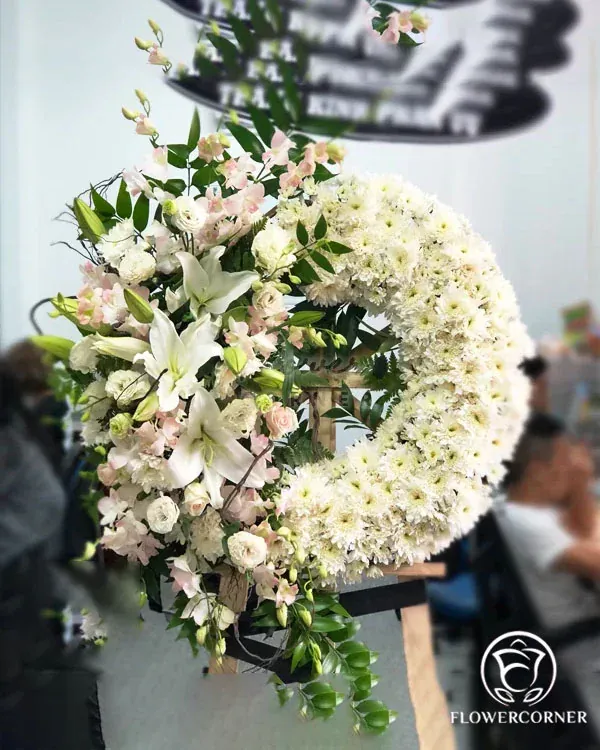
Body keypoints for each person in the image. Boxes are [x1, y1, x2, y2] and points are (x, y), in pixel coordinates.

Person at [495, 413, 600, 631]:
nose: (573, 467)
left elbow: (584, 528)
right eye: (566, 460)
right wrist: (580, 485)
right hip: (580, 634)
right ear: (537, 471)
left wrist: (578, 488)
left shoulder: (514, 503)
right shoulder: (530, 523)